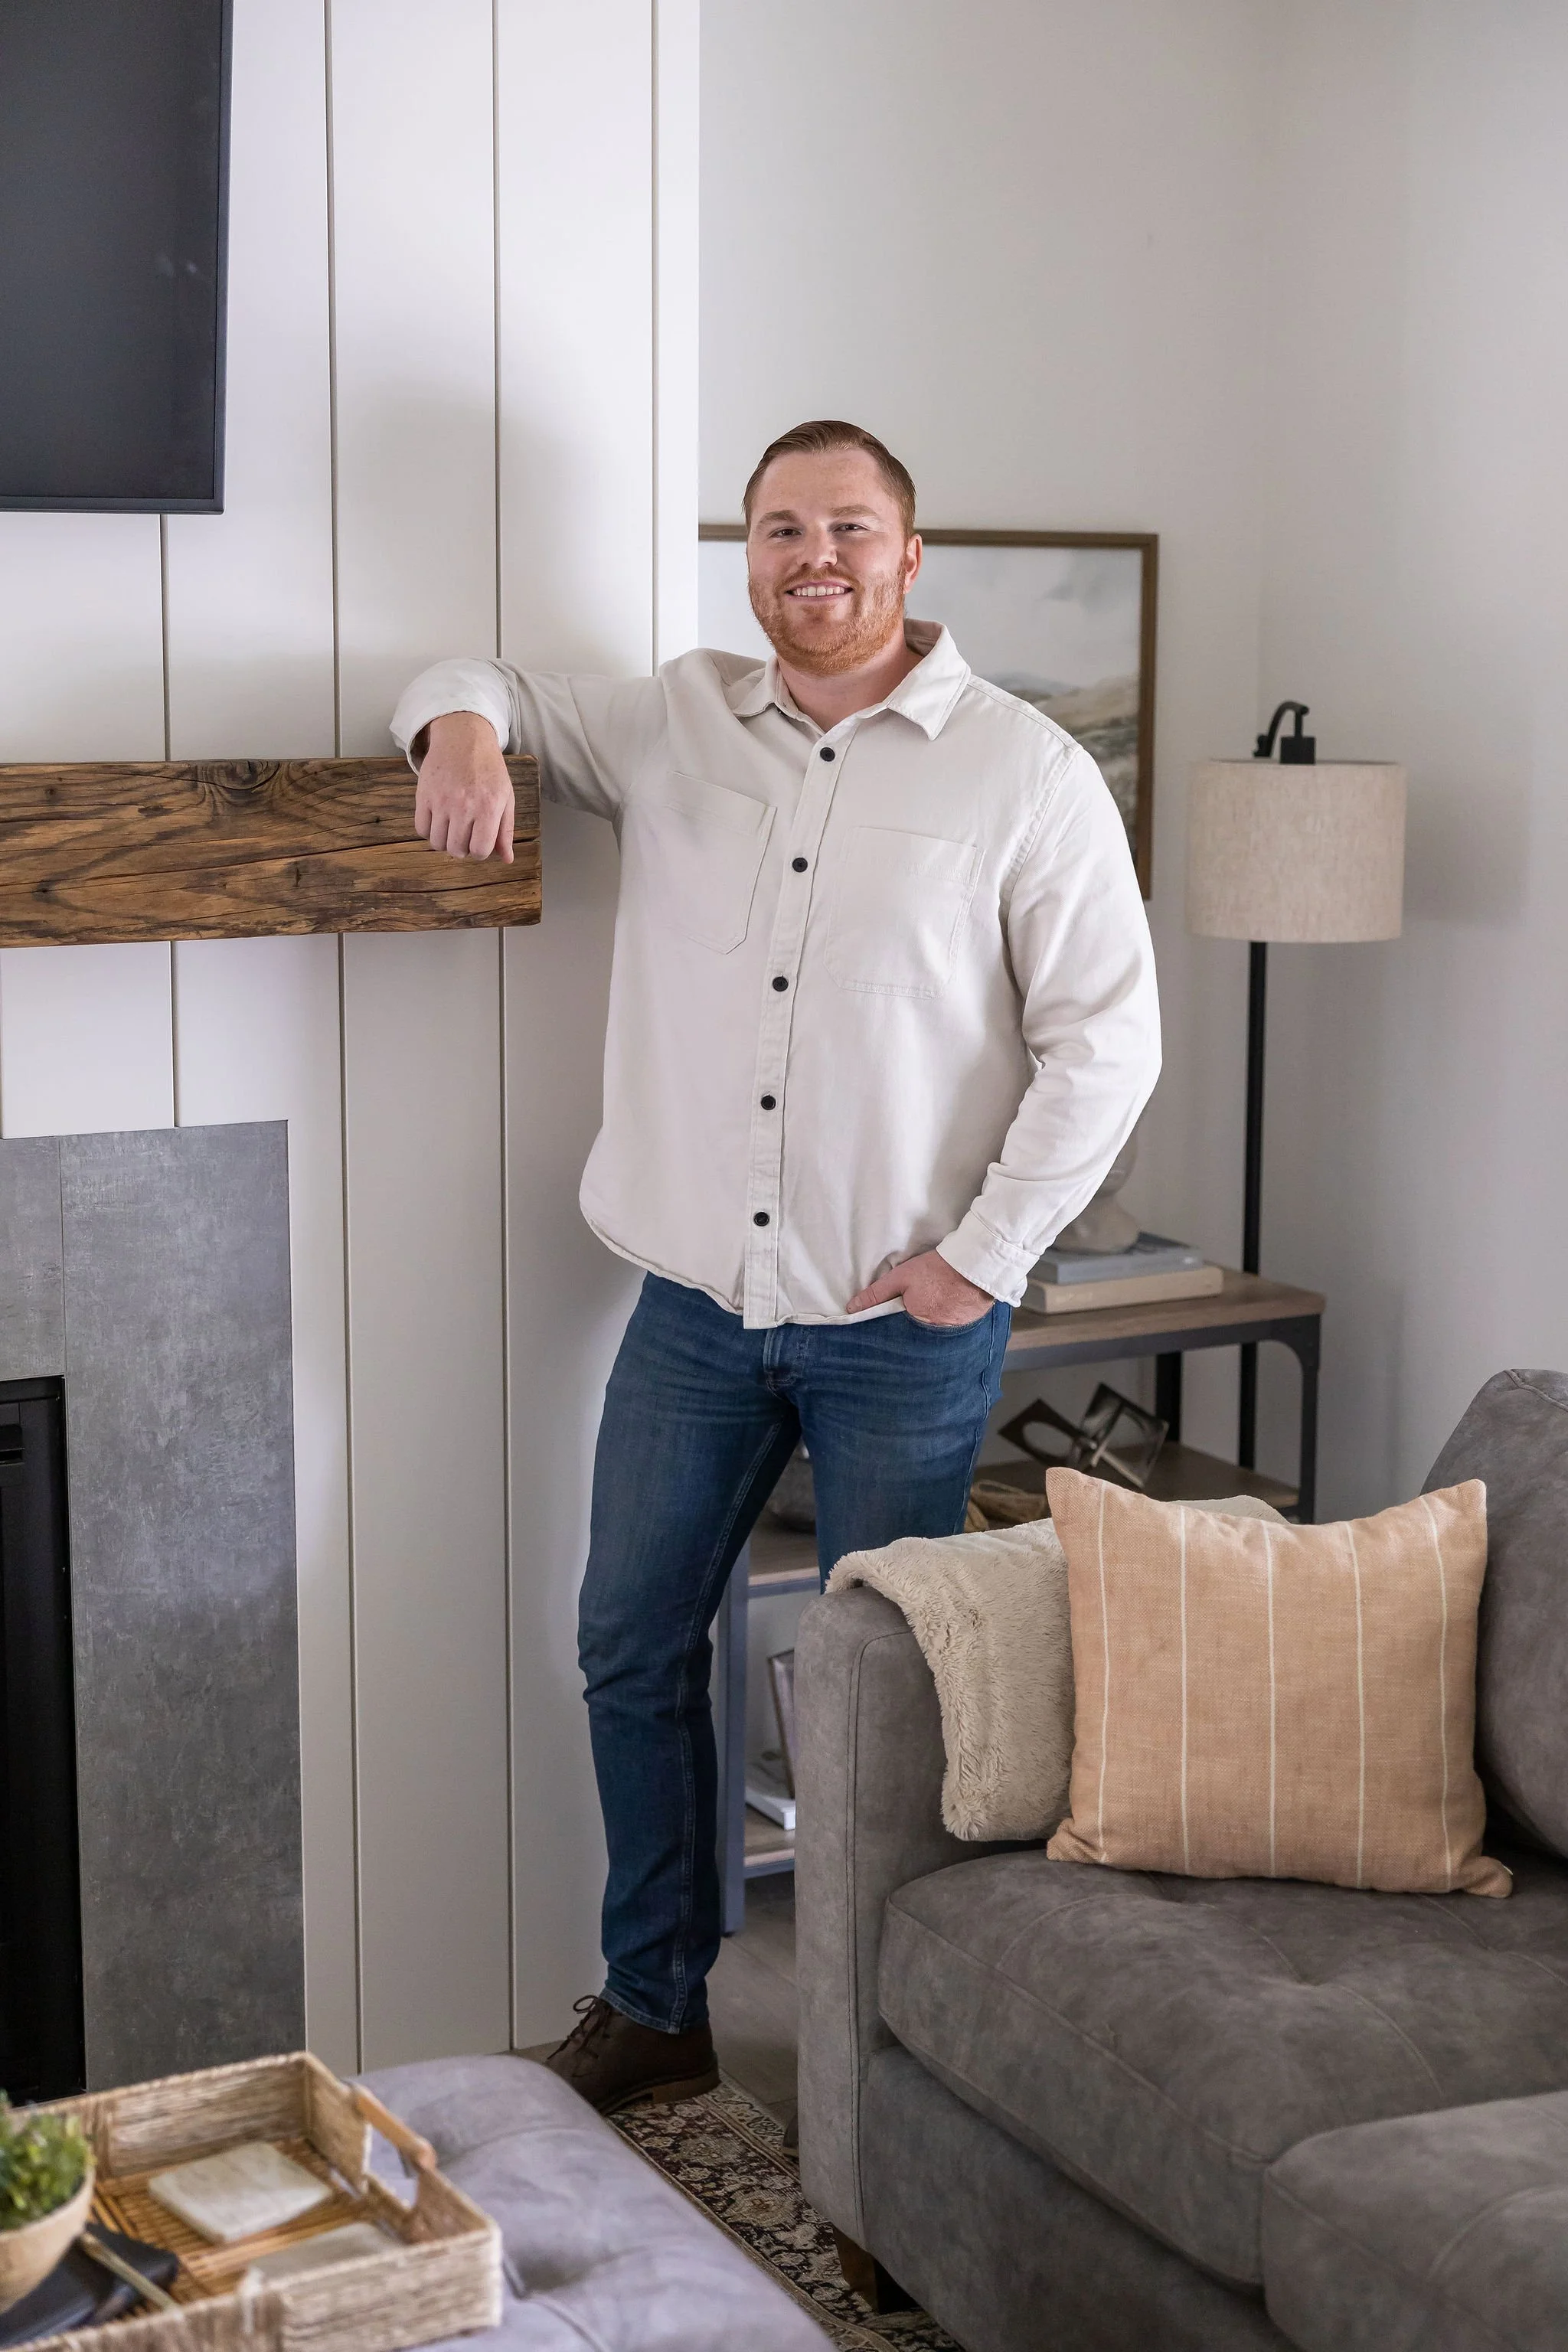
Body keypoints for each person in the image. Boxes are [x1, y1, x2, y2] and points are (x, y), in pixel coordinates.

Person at [391, 419, 1160, 2114]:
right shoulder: (670, 720)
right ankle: (656, 2004)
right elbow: (476, 673)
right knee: (630, 1642)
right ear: (744, 553)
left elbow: (1107, 1043)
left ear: (908, 551)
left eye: (849, 527)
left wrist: (982, 1258)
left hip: (903, 1322)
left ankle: (878, 2036)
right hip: (690, 1308)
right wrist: (459, 731)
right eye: (778, 527)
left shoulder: (1020, 771)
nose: (814, 554)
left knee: (894, 1701)